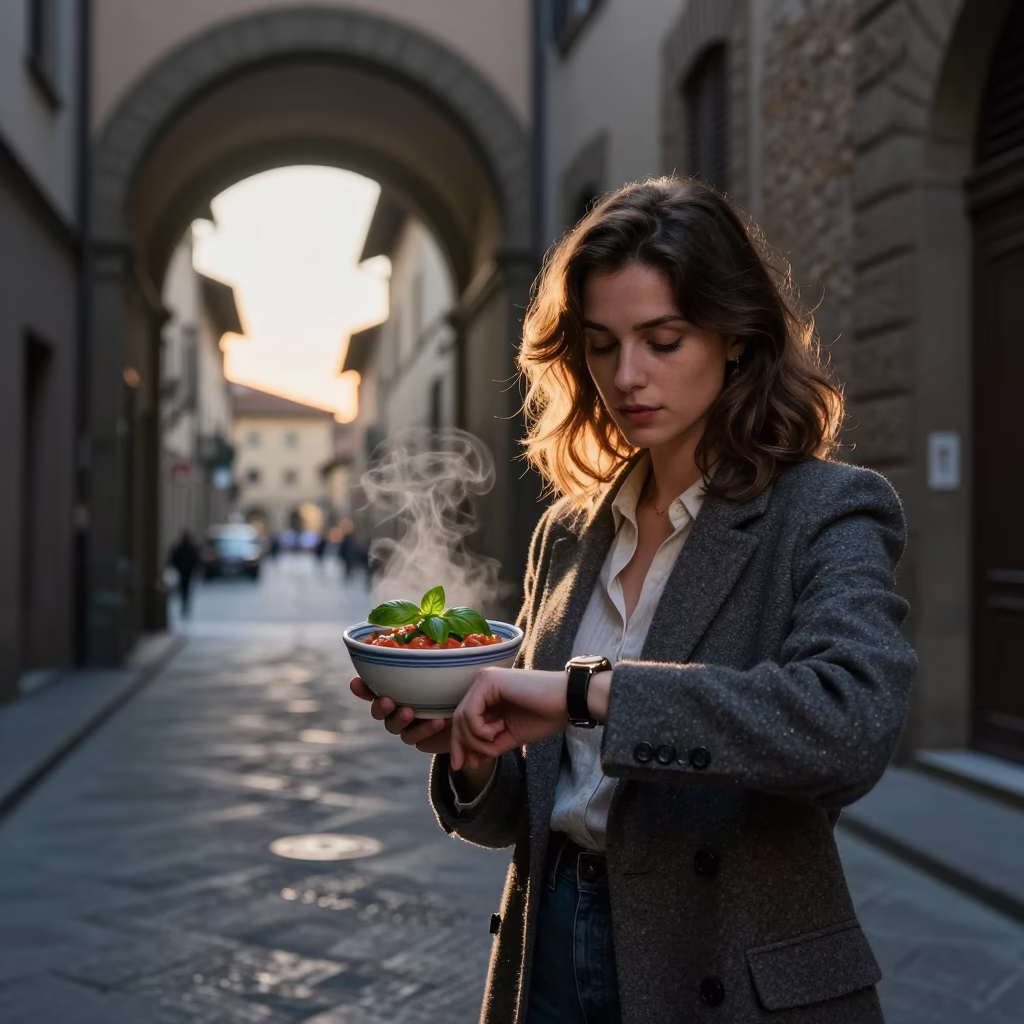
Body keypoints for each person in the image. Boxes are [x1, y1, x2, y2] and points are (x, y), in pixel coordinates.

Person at [350, 177, 916, 1023]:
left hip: (726, 962)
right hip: (549, 944)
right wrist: (471, 754)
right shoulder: (569, 532)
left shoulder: (825, 509)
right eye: (602, 344)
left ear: (735, 337)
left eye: (663, 339)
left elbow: (849, 722)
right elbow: (533, 808)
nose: (628, 375)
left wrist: (580, 693)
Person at [168, 529, 201, 619]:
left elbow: (196, 559)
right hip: (184, 571)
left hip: (185, 571)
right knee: (185, 588)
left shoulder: (187, 547)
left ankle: (184, 605)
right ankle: (184, 604)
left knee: (185, 588)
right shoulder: (184, 547)